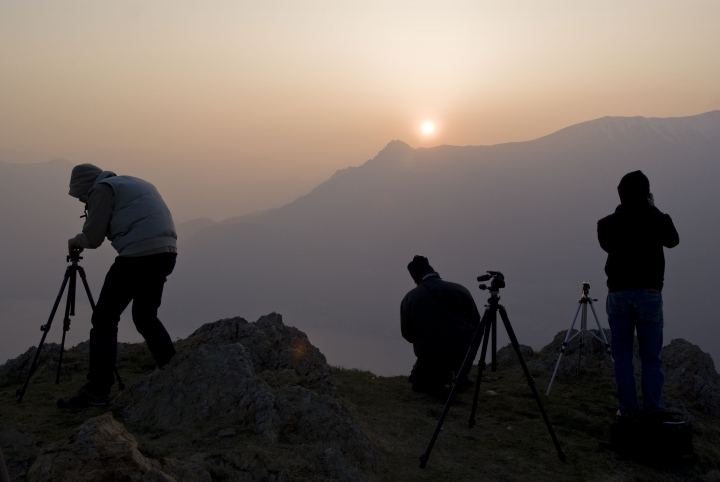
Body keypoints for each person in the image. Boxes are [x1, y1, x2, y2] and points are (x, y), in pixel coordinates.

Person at [57, 164, 178, 408]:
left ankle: (97, 391)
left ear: (85, 187)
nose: (83, 200)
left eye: (82, 196)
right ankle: (174, 371)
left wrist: (76, 240)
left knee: (104, 319)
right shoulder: (131, 182)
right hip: (166, 252)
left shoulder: (101, 190)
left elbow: (93, 238)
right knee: (145, 316)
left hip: (138, 255)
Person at [597, 170, 679, 416]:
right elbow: (673, 240)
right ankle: (653, 408)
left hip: (619, 294)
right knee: (651, 357)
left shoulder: (606, 224)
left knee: (622, 356)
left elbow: (608, 244)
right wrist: (652, 209)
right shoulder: (657, 219)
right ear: (647, 195)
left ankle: (628, 410)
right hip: (649, 293)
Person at [400, 255, 480, 396]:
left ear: (415, 277)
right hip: (461, 351)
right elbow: (476, 321)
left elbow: (408, 335)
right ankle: (460, 375)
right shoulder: (459, 289)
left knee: (420, 384)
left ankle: (435, 378)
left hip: (430, 354)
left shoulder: (410, 298)